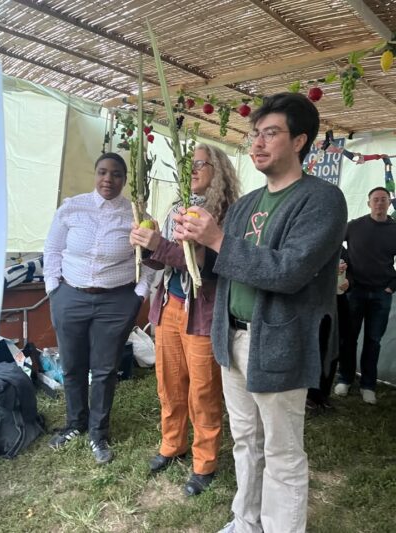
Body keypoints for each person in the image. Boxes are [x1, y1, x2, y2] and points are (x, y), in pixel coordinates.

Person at [172, 93, 347, 533]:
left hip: (279, 343)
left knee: (282, 451)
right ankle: (245, 521)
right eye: (256, 134)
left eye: (271, 133)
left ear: (299, 141)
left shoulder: (322, 200)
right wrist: (186, 243)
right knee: (246, 440)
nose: (257, 143)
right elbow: (222, 266)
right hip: (231, 338)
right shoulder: (246, 204)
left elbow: (289, 271)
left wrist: (216, 239)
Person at [130, 144, 240, 496]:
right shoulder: (178, 208)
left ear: (217, 169)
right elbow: (164, 261)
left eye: (199, 163)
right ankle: (172, 444)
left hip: (203, 311)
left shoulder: (226, 214)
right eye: (186, 163)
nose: (191, 169)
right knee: (169, 382)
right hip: (169, 306)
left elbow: (209, 268)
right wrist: (147, 247)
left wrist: (159, 245)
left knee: (203, 390)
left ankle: (204, 462)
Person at [43, 152, 154, 464]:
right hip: (70, 296)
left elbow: (150, 260)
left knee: (105, 369)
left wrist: (139, 295)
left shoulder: (136, 215)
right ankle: (75, 423)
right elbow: (52, 249)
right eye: (103, 172)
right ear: (95, 174)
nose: (109, 179)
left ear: (125, 179)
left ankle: (98, 433)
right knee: (72, 364)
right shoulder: (72, 207)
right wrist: (53, 289)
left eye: (116, 174)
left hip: (116, 301)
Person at [334, 187, 396, 405]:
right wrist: (343, 265)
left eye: (383, 199)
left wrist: (392, 286)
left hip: (382, 294)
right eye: (375, 199)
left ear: (389, 203)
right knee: (348, 338)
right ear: (369, 203)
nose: (379, 203)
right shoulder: (354, 226)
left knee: (373, 340)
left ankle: (368, 385)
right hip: (355, 292)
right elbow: (333, 242)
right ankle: (345, 378)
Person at [306, 253, 350, 412]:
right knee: (314, 347)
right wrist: (329, 273)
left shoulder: (341, 250)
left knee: (332, 347)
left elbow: (352, 271)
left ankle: (323, 393)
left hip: (336, 304)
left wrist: (348, 282)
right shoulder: (311, 245)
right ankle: (309, 395)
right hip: (313, 304)